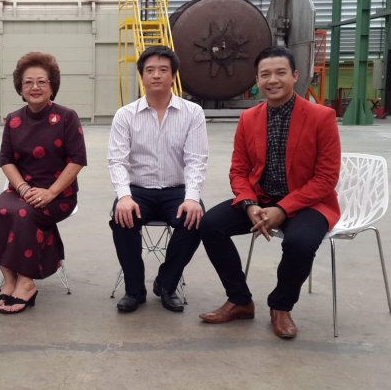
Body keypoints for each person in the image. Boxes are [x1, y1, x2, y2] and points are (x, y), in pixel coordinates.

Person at [198, 46, 341, 339]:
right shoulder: (249, 118)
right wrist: (249, 205)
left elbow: (326, 178)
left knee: (300, 243)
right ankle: (240, 300)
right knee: (211, 225)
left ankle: (281, 306)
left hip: (309, 203)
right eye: (265, 74)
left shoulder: (321, 117)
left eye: (280, 73)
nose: (272, 80)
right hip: (261, 199)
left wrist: (284, 209)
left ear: (295, 76)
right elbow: (239, 171)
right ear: (257, 80)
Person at [0, 52, 87, 314]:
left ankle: (26, 283)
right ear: (20, 87)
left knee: (24, 214)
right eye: (28, 82)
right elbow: (6, 161)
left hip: (59, 193)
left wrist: (50, 192)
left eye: (41, 82)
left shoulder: (66, 117)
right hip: (22, 189)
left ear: (52, 86)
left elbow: (77, 161)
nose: (35, 87)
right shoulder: (13, 120)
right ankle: (9, 281)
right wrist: (23, 188)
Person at [108, 45, 208, 313]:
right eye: (150, 70)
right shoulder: (125, 115)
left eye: (163, 70)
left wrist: (192, 198)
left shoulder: (192, 113)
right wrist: (124, 196)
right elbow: (117, 161)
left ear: (173, 76)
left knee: (196, 219)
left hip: (177, 190)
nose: (156, 75)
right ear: (142, 76)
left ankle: (166, 283)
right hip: (137, 190)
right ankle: (134, 290)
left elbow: (196, 160)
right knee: (121, 219)